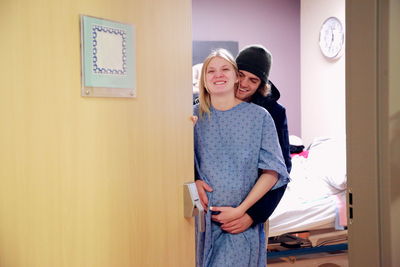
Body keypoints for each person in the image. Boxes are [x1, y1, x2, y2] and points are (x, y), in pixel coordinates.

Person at [194, 48, 289, 267]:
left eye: (252, 80)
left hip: (243, 216)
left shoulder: (265, 114)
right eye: (212, 71)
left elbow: (277, 170)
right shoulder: (194, 115)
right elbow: (182, 159)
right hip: (202, 220)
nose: (244, 84)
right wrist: (194, 180)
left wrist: (248, 213)